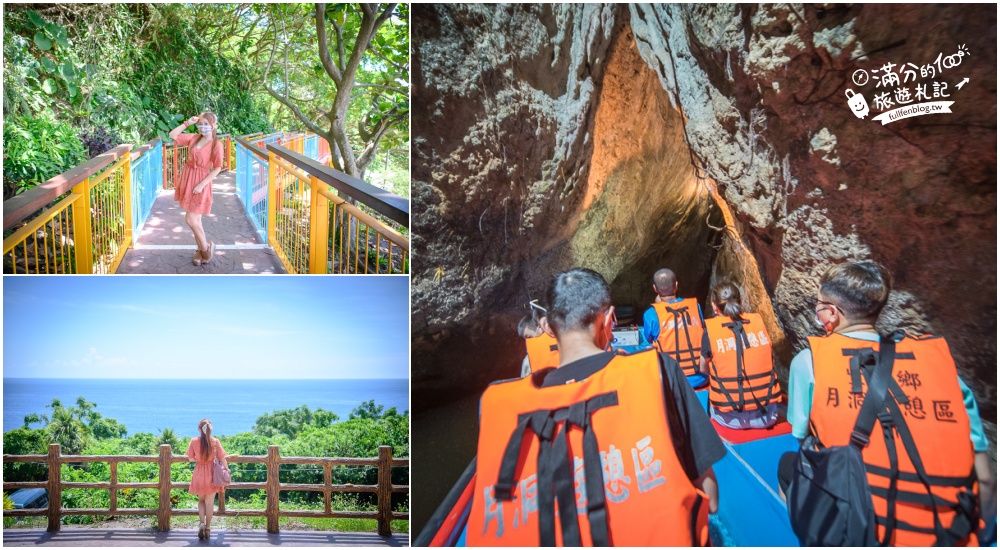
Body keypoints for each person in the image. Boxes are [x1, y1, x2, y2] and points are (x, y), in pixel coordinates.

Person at [467, 268, 725, 546]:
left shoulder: (499, 407)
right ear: (610, 318)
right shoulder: (660, 372)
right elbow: (710, 500)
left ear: (548, 328)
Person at [777, 260, 994, 546]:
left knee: (787, 464)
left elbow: (804, 442)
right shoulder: (944, 372)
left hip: (858, 530)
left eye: (819, 304)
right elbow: (986, 481)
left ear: (830, 313)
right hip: (948, 535)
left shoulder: (809, 363)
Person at [699, 281, 781, 429]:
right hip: (767, 416)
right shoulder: (758, 323)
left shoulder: (710, 332)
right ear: (741, 301)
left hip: (731, 419)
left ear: (714, 306)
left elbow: (704, 369)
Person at [168, 112, 223, 266]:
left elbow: (218, 168)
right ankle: (200, 249)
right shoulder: (193, 138)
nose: (203, 127)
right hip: (188, 178)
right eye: (201, 124)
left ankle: (206, 249)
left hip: (201, 182)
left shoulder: (216, 145)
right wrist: (187, 123)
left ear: (213, 126)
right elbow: (173, 134)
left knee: (190, 219)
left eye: (207, 124)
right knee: (196, 220)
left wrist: (201, 185)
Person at [642, 268, 706, 380]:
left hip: (672, 379)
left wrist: (660, 306)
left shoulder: (650, 314)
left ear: (655, 289)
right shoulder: (696, 306)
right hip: (700, 377)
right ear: (676, 286)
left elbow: (649, 339)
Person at [186, 419, 229, 540]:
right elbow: (223, 458)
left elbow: (190, 458)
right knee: (210, 503)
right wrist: (227, 470)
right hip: (212, 473)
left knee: (201, 500)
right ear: (211, 428)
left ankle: (201, 523)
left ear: (199, 429)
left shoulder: (194, 441)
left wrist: (200, 460)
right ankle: (208, 528)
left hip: (199, 472)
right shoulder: (215, 441)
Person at [519, 311, 559, 377]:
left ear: (539, 327)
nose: (528, 341)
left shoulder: (528, 360)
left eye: (528, 336)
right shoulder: (563, 338)